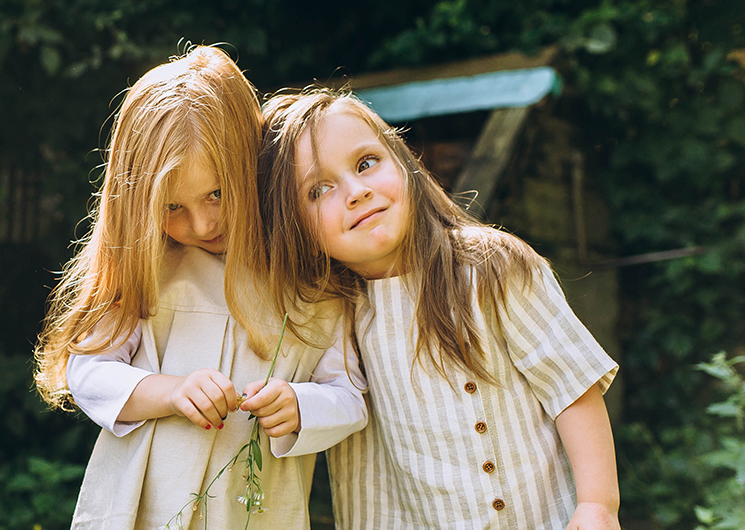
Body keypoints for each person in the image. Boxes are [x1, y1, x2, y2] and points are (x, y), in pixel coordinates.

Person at [34, 48, 367, 530]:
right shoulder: (150, 269)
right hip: (143, 510)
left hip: (254, 512)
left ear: (252, 165)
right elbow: (90, 373)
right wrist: (171, 392)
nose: (203, 223)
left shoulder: (313, 285)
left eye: (217, 193)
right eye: (173, 207)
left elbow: (350, 397)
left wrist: (299, 406)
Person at [258, 90, 621, 530]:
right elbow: (336, 402)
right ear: (294, 228)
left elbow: (571, 385)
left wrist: (599, 503)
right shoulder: (325, 314)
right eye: (319, 190)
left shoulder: (491, 268)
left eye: (366, 163)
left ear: (404, 162)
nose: (357, 192)